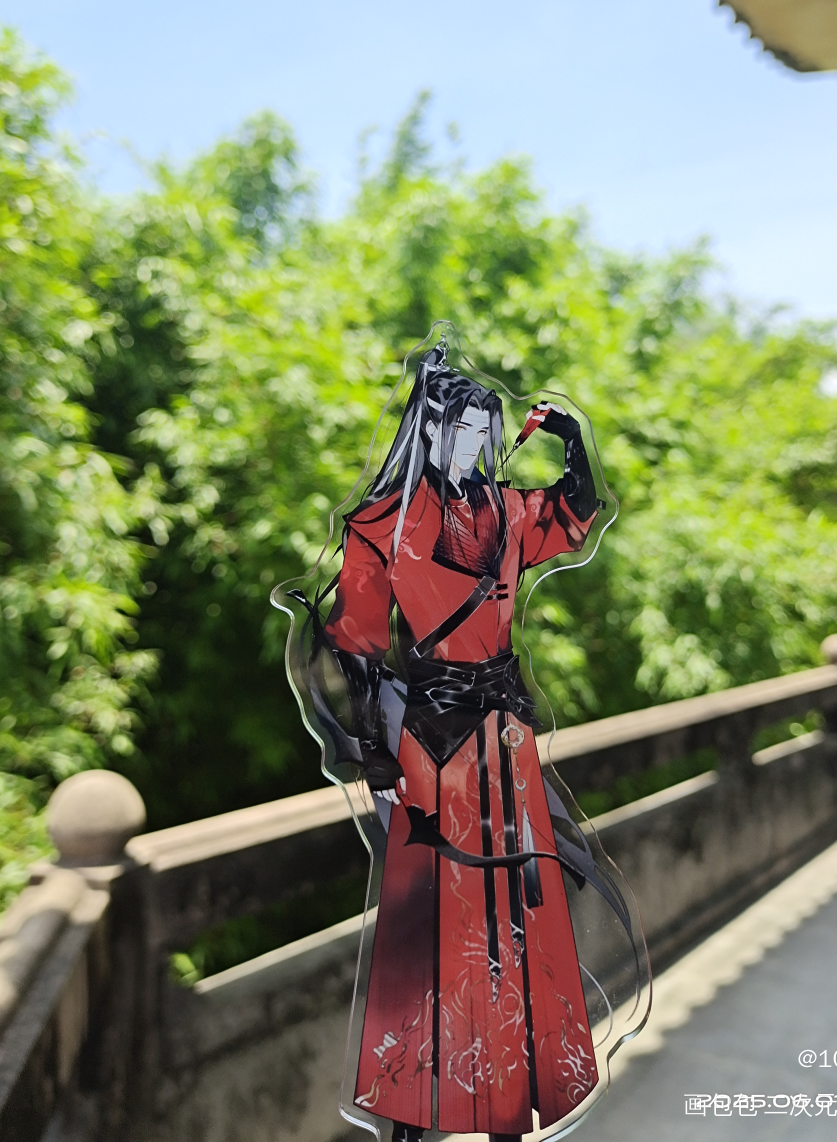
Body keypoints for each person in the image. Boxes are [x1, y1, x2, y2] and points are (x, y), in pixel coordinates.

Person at [292, 344, 629, 1142]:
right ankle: (418, 1111)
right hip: (431, 747)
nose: (474, 443)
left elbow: (577, 511)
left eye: (486, 429)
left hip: (505, 740)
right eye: (460, 428)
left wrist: (573, 440)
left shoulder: (509, 511)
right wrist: (371, 749)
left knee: (517, 912)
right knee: (430, 919)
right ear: (427, 429)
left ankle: (514, 1100)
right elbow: (355, 642)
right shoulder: (382, 524)